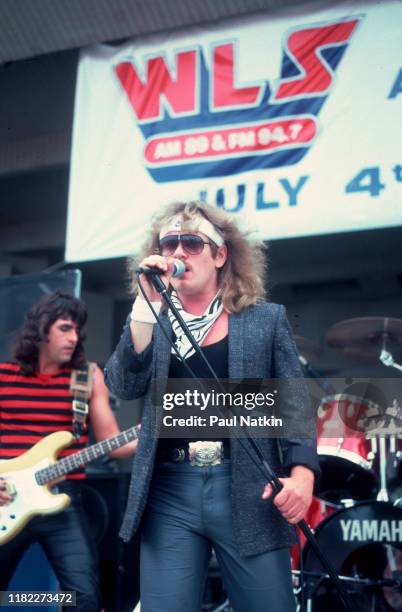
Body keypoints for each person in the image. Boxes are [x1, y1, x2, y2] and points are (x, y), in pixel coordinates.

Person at [104, 201, 320, 612]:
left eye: (192, 243)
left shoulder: (265, 320)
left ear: (221, 255)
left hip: (247, 487)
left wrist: (302, 476)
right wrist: (144, 309)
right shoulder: (153, 319)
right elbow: (124, 384)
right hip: (171, 489)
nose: (178, 254)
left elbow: (294, 404)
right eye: (169, 244)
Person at [0, 290, 137, 612]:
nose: (74, 338)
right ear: (40, 328)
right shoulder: (3, 376)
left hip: (62, 501)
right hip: (5, 497)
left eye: (78, 330)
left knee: (83, 598)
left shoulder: (86, 377)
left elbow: (114, 442)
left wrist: (155, 436)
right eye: (65, 328)